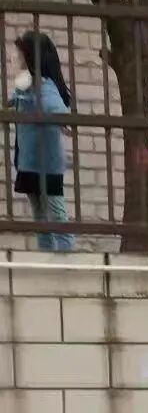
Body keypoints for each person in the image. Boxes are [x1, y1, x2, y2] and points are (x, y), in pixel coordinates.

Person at [9, 31, 73, 251]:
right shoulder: (25, 85)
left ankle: (67, 258)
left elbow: (58, 108)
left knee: (57, 216)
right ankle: (46, 257)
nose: (15, 57)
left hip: (47, 164)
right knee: (40, 220)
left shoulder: (43, 86)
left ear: (30, 56)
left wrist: (65, 122)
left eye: (19, 53)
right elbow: (12, 100)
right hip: (28, 162)